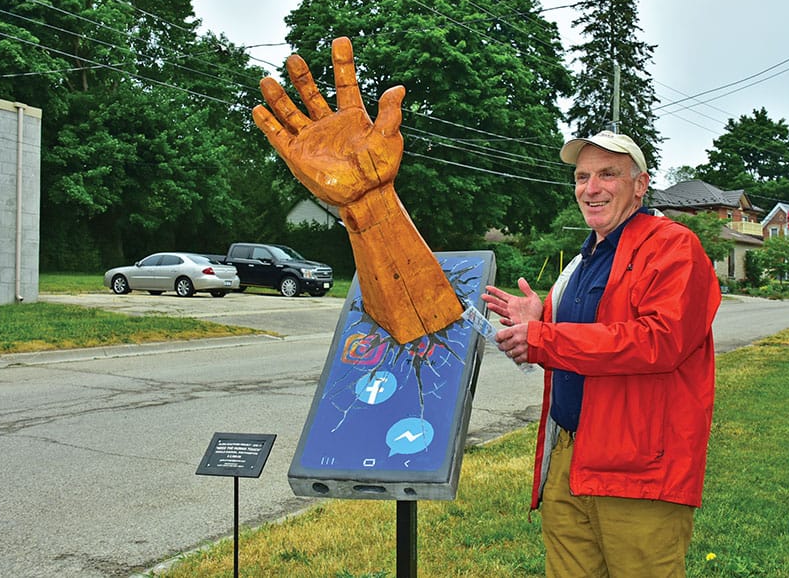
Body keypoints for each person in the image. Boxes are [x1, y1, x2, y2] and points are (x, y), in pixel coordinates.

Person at [482, 130, 721, 577]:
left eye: (608, 174)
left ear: (641, 184)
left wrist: (544, 339)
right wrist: (540, 318)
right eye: (581, 176)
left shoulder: (674, 247)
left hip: (639, 469)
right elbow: (583, 338)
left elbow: (658, 341)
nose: (591, 188)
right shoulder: (585, 257)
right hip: (570, 457)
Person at [252, 37, 463, 344]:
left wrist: (369, 186)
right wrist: (359, 195)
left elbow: (432, 316)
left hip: (423, 315)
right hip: (399, 312)